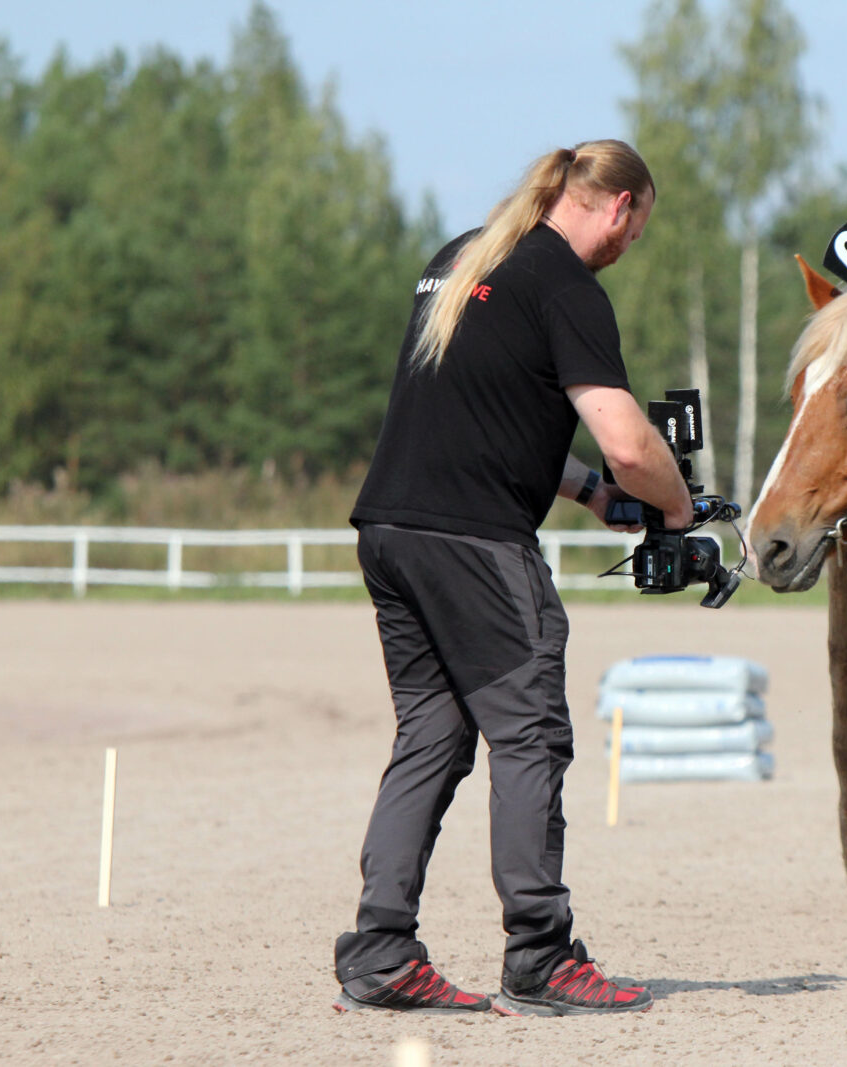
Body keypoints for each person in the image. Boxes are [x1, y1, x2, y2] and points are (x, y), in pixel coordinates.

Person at [331, 139, 693, 1016]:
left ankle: (380, 951)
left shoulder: (460, 257)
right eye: (634, 232)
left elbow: (482, 408)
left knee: (433, 735)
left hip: (390, 527)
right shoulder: (566, 284)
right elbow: (630, 442)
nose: (627, 247)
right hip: (474, 545)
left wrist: (590, 496)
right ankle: (540, 953)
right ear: (620, 207)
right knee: (530, 735)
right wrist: (677, 512)